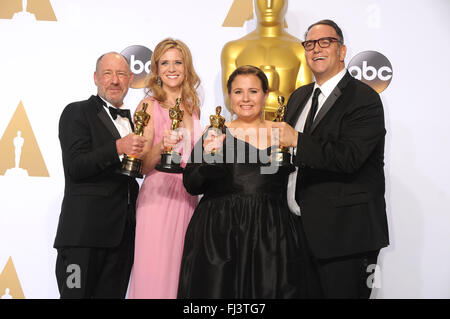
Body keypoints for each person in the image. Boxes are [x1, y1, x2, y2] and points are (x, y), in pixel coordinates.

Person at [272, 19, 389, 298]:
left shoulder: (364, 99)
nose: (316, 49)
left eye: (326, 41)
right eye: (310, 44)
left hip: (346, 237)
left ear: (342, 50)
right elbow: (285, 158)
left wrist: (297, 140)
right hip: (299, 234)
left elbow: (349, 158)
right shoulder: (299, 97)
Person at [177, 65, 306, 298]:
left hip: (271, 234)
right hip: (219, 234)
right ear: (229, 96)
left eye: (253, 91)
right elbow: (191, 184)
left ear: (265, 95)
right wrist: (207, 158)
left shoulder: (283, 133)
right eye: (238, 92)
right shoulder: (215, 132)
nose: (245, 99)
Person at [54, 52, 147, 298]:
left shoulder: (135, 121)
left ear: (129, 80)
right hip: (83, 238)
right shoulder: (77, 112)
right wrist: (118, 147)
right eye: (108, 73)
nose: (115, 80)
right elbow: (76, 165)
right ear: (96, 77)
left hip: (122, 238)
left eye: (121, 74)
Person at [127, 38, 202, 299]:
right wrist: (161, 146)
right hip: (158, 198)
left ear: (187, 67)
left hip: (188, 197)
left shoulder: (194, 109)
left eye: (178, 62)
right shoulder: (148, 106)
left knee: (182, 276)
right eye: (165, 63)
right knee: (155, 274)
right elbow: (142, 166)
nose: (172, 68)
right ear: (156, 69)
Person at [221, 0, 312, 120]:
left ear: (286, 3)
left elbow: (303, 102)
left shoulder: (301, 50)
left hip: (286, 131)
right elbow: (230, 101)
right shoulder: (233, 50)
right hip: (244, 133)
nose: (269, 4)